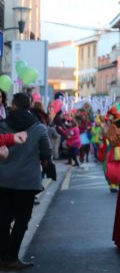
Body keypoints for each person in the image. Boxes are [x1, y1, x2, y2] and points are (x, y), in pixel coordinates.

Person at [0, 92, 52, 270]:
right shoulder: (38, 128)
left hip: (3, 180)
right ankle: (12, 257)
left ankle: (3, 255)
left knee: (3, 219)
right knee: (22, 221)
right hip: (26, 183)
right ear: (29, 106)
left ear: (13, 105)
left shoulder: (2, 126)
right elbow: (46, 152)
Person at [100, 106, 120, 192]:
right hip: (115, 150)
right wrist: (119, 139)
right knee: (113, 167)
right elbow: (111, 139)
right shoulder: (113, 128)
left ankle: (119, 184)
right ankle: (113, 184)